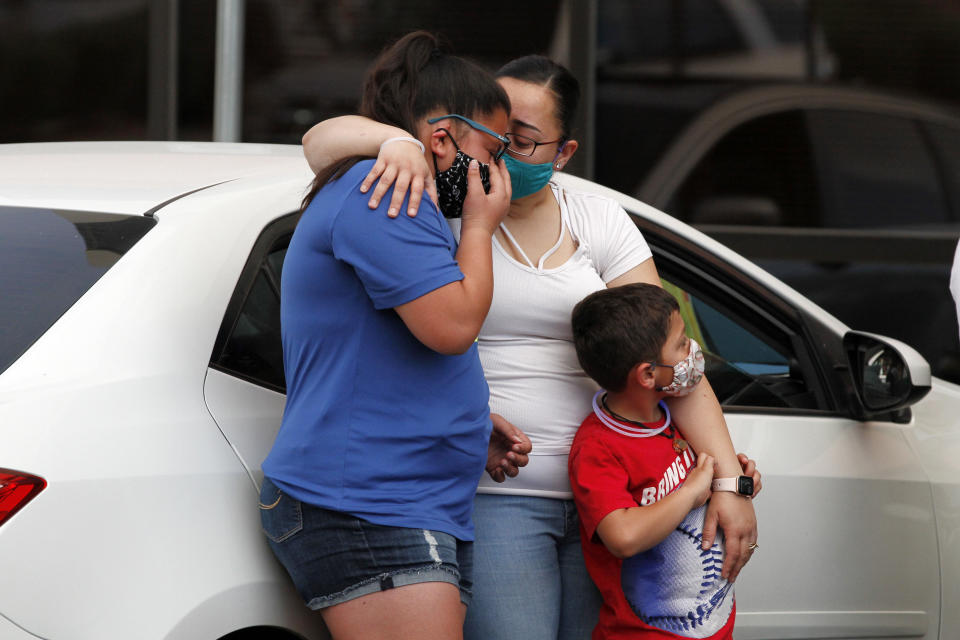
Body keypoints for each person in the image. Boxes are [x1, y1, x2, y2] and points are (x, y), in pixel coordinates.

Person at [301, 54, 759, 640]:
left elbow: (670, 361)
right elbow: (319, 144)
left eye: (521, 142)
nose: (498, 156)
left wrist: (728, 483)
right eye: (492, 136)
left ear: (563, 154)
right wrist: (396, 143)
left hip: (624, 499)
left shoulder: (597, 218)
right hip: (498, 493)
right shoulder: (436, 200)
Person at [259, 31, 533, 640]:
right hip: (368, 503)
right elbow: (454, 326)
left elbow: (382, 340)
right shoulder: (386, 194)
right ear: (442, 138)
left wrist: (458, 424)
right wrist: (481, 229)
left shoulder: (398, 190)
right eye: (493, 151)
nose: (500, 171)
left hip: (399, 499)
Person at [569, 283, 756, 639]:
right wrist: (690, 492)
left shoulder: (676, 420)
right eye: (682, 343)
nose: (693, 351)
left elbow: (706, 488)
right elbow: (622, 536)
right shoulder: (598, 446)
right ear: (648, 375)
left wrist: (737, 483)